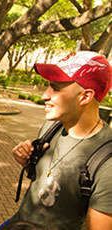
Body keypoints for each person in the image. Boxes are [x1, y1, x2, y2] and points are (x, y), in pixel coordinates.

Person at [9, 51, 112, 230]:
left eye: (55, 88)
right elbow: (46, 181)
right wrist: (28, 162)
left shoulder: (107, 162)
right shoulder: (51, 126)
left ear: (85, 96)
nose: (44, 96)